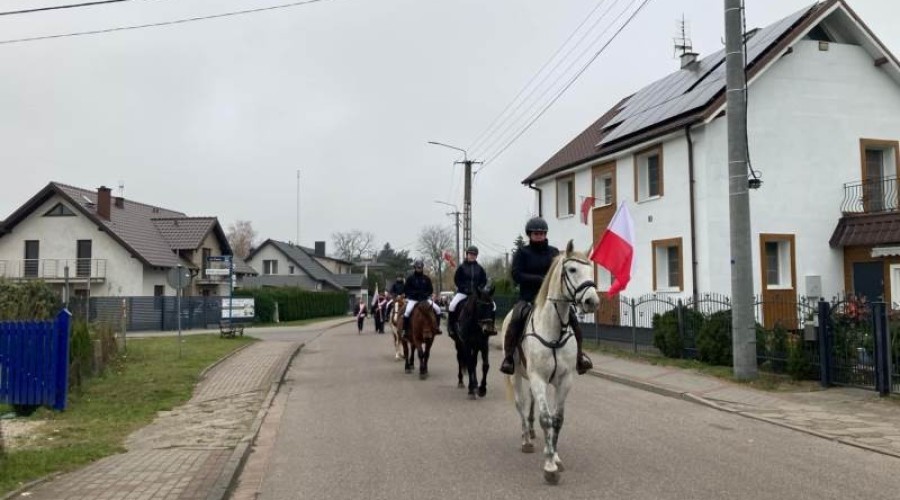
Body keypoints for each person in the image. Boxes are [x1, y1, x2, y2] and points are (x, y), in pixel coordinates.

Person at [499, 217, 593, 375]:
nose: (539, 236)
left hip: (552, 299)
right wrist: (538, 279)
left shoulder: (553, 252)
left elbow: (559, 274)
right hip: (529, 298)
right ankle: (509, 358)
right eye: (536, 233)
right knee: (515, 319)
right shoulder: (523, 252)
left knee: (574, 321)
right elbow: (516, 274)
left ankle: (579, 356)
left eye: (542, 233)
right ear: (530, 234)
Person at [447, 245, 495, 339]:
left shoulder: (480, 268)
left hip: (477, 293)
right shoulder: (461, 268)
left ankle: (490, 327)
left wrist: (479, 289)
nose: (472, 256)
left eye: (474, 254)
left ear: (476, 256)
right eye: (470, 254)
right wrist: (465, 289)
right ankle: (451, 326)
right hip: (463, 293)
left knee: (493, 305)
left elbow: (483, 280)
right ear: (467, 254)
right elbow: (457, 280)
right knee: (452, 305)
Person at [402, 259, 442, 337]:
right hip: (413, 300)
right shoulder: (410, 279)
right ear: (415, 268)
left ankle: (437, 327)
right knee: (407, 312)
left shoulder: (426, 279)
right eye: (417, 267)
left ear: (422, 268)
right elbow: (406, 290)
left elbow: (430, 289)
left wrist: (425, 294)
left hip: (424, 299)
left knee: (438, 309)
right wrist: (413, 294)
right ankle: (405, 330)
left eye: (420, 267)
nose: (419, 269)